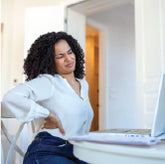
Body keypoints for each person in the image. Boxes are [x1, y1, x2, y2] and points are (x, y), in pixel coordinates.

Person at [1, 32, 94, 164]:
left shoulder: (83, 84)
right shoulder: (48, 82)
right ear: (50, 61)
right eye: (60, 56)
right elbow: (10, 98)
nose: (68, 59)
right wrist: (47, 114)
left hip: (77, 152)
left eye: (70, 52)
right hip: (48, 150)